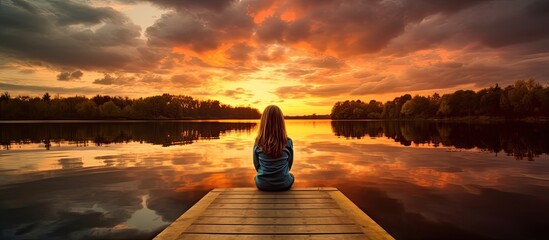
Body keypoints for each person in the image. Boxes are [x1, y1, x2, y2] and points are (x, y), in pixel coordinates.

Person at [253, 105, 294, 191]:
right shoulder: (288, 141)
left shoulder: (258, 142)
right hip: (284, 184)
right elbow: (289, 165)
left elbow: (257, 166)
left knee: (256, 177)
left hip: (262, 184)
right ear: (281, 122)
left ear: (263, 122)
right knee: (291, 176)